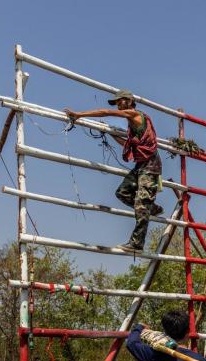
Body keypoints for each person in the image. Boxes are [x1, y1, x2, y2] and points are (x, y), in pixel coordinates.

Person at [65, 90, 164, 253]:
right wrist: (109, 133)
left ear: (129, 101)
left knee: (140, 206)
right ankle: (152, 208)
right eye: (116, 102)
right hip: (141, 165)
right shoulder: (132, 125)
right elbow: (127, 144)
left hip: (151, 167)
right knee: (122, 193)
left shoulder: (135, 115)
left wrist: (79, 115)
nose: (117, 105)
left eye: (120, 101)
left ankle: (137, 244)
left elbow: (106, 112)